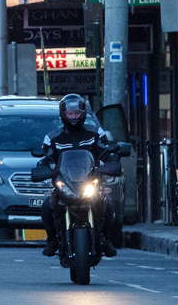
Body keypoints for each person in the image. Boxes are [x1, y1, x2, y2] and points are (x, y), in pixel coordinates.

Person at [35, 94, 120, 259]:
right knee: (47, 205)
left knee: (108, 203)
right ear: (63, 115)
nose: (73, 117)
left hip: (90, 182)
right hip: (64, 183)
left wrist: (112, 161)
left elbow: (106, 152)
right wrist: (44, 168)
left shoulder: (95, 133)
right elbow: (46, 159)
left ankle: (106, 239)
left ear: (83, 113)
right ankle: (51, 240)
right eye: (70, 114)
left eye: (76, 113)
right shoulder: (52, 137)